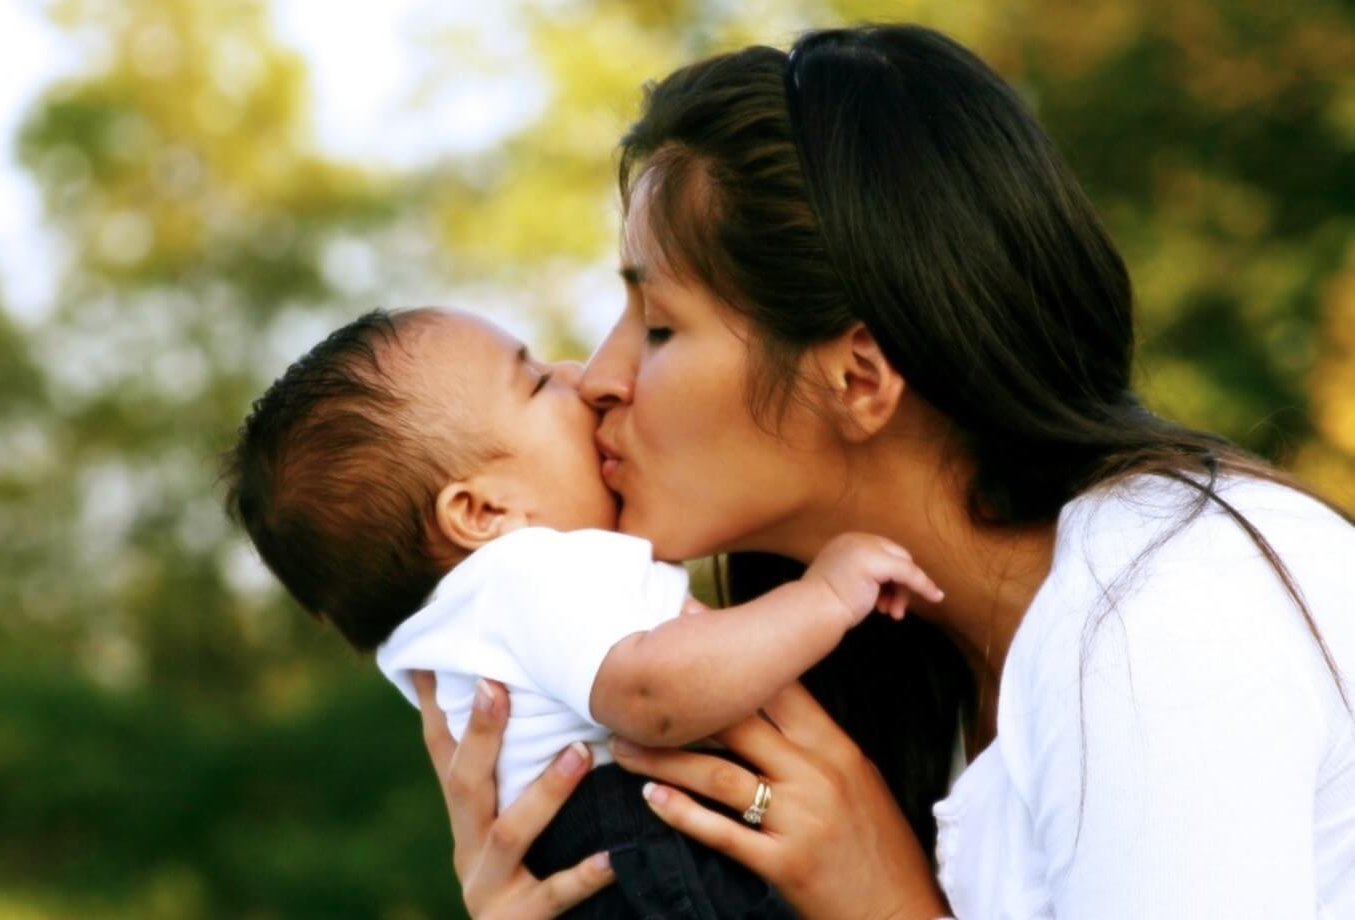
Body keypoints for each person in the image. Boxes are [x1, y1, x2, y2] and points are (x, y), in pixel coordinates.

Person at [417, 23, 1355, 920]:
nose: (595, 382)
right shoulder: (910, 677)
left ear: (858, 379)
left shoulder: (1165, 614)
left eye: (659, 327)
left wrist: (888, 906)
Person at [221, 305, 943, 917]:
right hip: (653, 851)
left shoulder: (476, 617)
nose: (580, 374)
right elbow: (650, 694)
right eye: (536, 381)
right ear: (480, 512)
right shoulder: (526, 572)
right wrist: (822, 597)